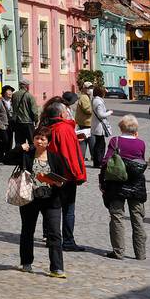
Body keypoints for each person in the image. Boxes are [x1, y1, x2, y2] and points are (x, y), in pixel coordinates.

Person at [16, 124, 72, 277]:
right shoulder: (27, 155)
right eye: (37, 138)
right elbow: (6, 157)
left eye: (42, 139)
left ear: (48, 142)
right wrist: (20, 148)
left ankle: (57, 268)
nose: (39, 141)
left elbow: (64, 178)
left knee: (54, 233)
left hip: (51, 199)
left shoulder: (55, 157)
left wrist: (58, 183)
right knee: (27, 230)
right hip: (30, 198)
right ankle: (26, 262)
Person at [99, 114, 148, 260]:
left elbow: (105, 162)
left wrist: (102, 181)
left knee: (117, 217)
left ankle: (118, 251)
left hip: (117, 183)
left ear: (121, 127)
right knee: (137, 218)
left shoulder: (116, 141)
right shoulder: (141, 143)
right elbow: (141, 161)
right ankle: (140, 253)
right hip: (137, 183)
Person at [42, 101, 88, 251]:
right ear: (61, 114)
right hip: (65, 176)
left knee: (52, 208)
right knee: (68, 209)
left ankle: (51, 237)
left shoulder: (47, 128)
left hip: (50, 174)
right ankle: (67, 241)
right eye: (66, 111)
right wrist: (78, 175)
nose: (68, 112)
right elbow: (70, 155)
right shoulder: (63, 129)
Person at [12, 80, 38, 157]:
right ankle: (31, 157)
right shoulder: (29, 96)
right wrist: (36, 120)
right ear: (26, 86)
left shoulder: (14, 95)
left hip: (17, 122)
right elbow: (34, 111)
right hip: (28, 122)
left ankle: (20, 158)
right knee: (32, 142)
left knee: (19, 143)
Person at [90, 84, 113, 168]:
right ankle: (98, 162)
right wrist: (109, 112)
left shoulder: (94, 100)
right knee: (100, 145)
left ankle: (98, 161)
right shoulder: (98, 101)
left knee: (99, 144)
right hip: (99, 125)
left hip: (96, 124)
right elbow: (100, 115)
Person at [0, 84, 15, 163]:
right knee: (4, 141)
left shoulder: (12, 101)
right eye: (8, 91)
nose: (10, 93)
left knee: (10, 141)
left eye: (11, 91)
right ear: (4, 93)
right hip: (2, 124)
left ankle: (7, 157)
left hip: (11, 124)